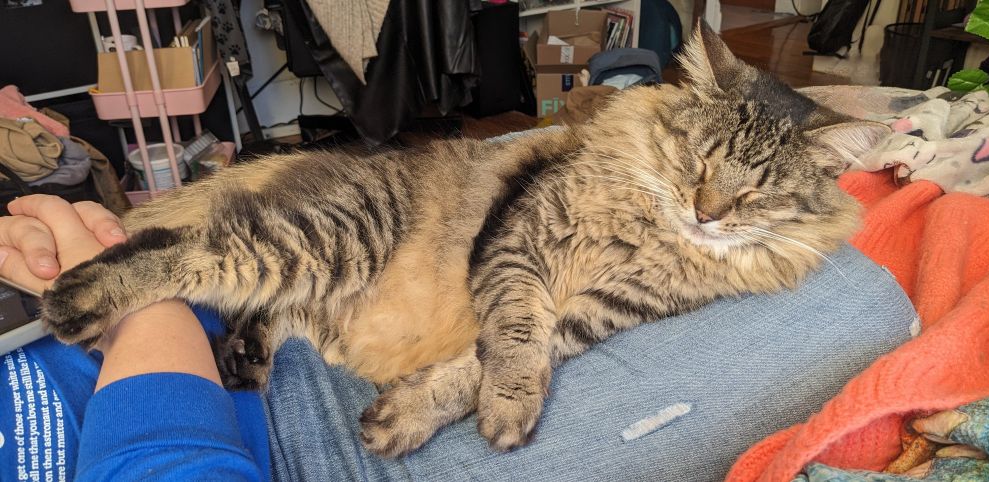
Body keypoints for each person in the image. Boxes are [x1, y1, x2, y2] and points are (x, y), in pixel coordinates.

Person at [0, 195, 918, 481]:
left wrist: (65, 255)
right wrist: (142, 309)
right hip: (302, 449)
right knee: (860, 302)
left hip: (234, 331)